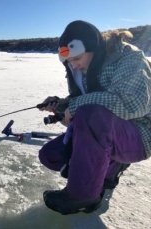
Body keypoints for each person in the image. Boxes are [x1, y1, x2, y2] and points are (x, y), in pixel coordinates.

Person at [38, 20, 151, 215]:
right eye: (69, 62)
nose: (74, 65)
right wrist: (61, 108)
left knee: (91, 114)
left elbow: (133, 102)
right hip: (105, 130)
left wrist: (75, 105)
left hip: (140, 135)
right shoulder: (80, 69)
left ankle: (83, 195)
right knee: (51, 156)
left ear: (93, 48)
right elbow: (80, 116)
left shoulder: (128, 58)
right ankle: (106, 172)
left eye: (77, 58)